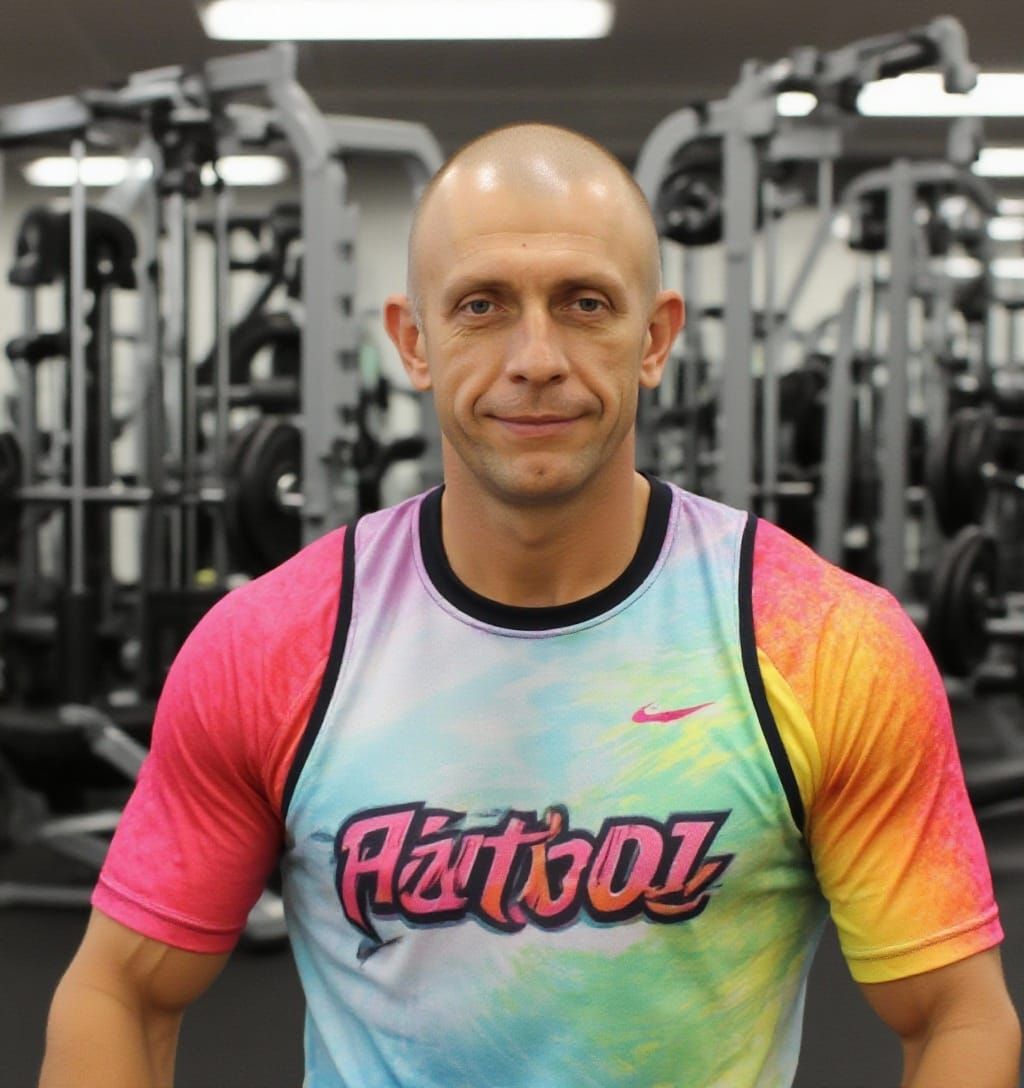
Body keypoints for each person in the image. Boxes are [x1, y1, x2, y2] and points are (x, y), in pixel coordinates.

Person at [40, 123, 1019, 1088]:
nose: (536, 357)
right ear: (414, 342)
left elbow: (958, 1015)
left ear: (654, 338)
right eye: (483, 306)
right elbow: (121, 990)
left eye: (585, 303)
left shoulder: (825, 644)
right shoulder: (271, 646)